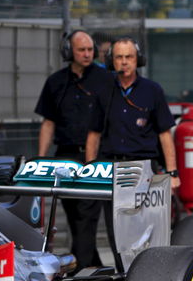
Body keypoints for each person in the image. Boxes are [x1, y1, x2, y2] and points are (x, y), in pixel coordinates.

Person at [85, 36, 179, 272]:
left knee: (148, 230)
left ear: (138, 60)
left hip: (145, 170)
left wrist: (172, 172)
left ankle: (151, 274)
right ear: (111, 60)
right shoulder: (103, 92)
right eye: (119, 57)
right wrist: (89, 170)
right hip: (113, 171)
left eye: (129, 57)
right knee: (118, 234)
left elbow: (165, 135)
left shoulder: (153, 90)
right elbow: (93, 135)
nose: (124, 62)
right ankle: (125, 274)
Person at [35, 30, 114, 272]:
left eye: (91, 49)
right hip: (66, 154)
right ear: (69, 52)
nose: (88, 54)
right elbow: (48, 123)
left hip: (95, 156)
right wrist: (41, 159)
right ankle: (95, 266)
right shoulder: (56, 82)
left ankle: (80, 270)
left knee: (86, 215)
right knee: (73, 214)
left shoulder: (105, 80)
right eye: (82, 50)